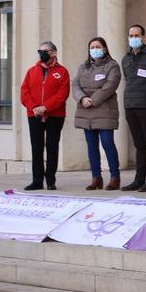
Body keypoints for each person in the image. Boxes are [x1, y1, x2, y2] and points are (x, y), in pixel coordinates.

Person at [72, 37, 122, 191]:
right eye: (92, 47)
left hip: (104, 110)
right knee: (91, 146)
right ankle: (96, 177)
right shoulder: (83, 67)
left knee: (107, 144)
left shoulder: (112, 66)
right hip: (86, 111)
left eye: (97, 46)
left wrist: (92, 100)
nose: (94, 49)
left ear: (105, 48)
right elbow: (75, 85)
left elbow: (110, 86)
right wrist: (82, 98)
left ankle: (115, 177)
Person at [19, 41, 70, 190]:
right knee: (37, 148)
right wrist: (34, 107)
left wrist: (46, 107)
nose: (41, 53)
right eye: (39, 50)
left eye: (45, 51)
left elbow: (62, 94)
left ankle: (50, 180)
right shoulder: (31, 71)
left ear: (53, 53)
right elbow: (24, 92)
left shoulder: (62, 72)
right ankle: (37, 180)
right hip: (34, 114)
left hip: (55, 115)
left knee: (52, 147)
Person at [120, 24, 146, 191]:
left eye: (137, 35)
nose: (133, 38)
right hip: (130, 105)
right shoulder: (126, 58)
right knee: (139, 144)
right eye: (131, 35)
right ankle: (139, 179)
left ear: (143, 37)